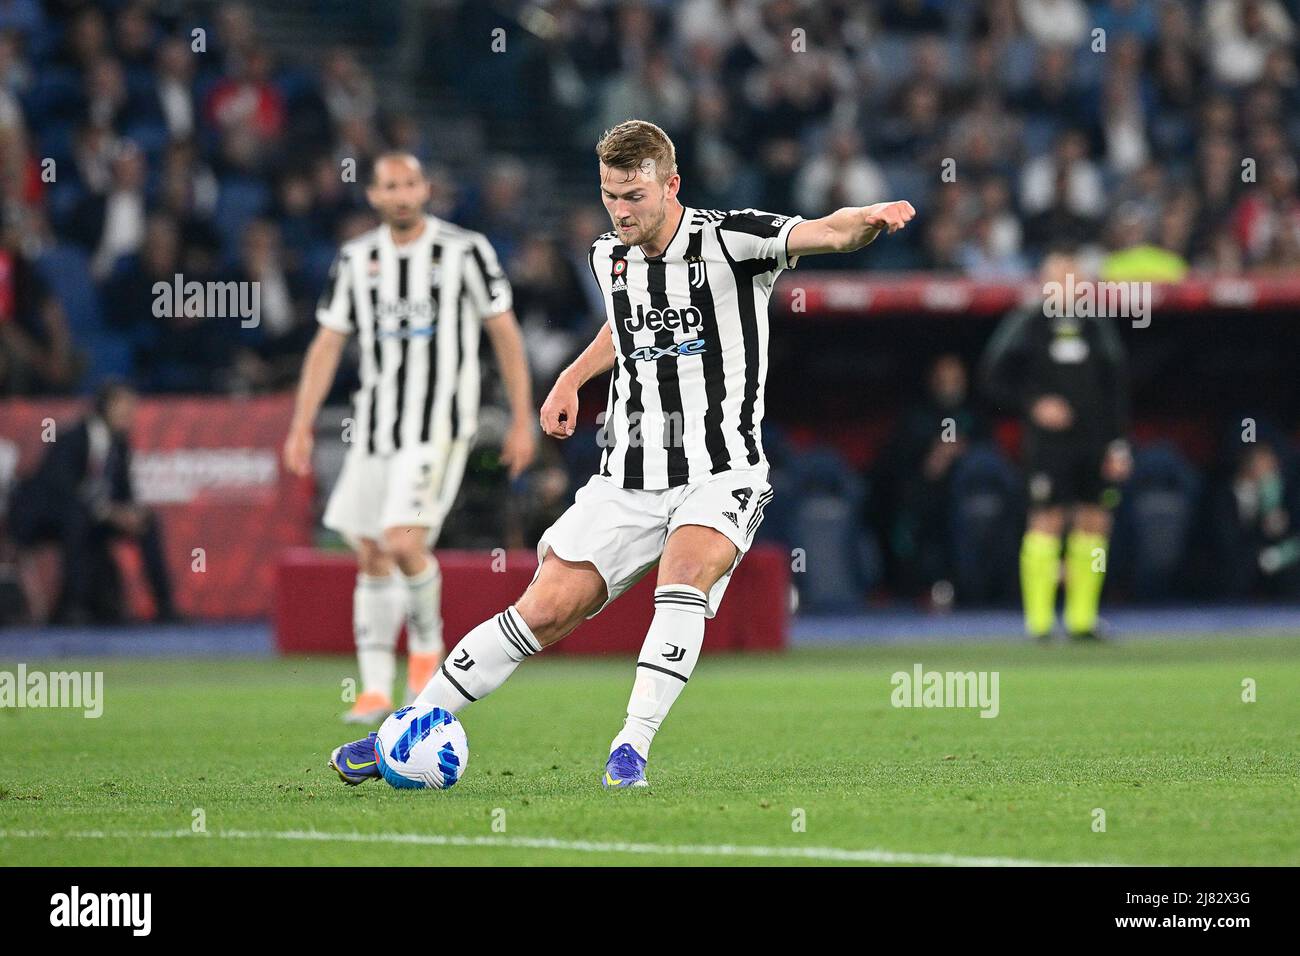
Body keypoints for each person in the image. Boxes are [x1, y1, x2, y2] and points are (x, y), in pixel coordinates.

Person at [330, 119, 915, 788]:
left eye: (634, 195)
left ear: (671, 185)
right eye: (610, 194)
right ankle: (402, 733)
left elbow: (827, 231)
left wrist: (869, 219)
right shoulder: (608, 255)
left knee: (683, 573)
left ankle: (629, 749)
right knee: (544, 610)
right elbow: (623, 324)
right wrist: (572, 378)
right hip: (628, 476)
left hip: (720, 468)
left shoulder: (733, 239)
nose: (621, 210)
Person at [284, 152, 536, 723]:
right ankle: (374, 688)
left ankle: (426, 650)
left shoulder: (465, 250)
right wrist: (301, 423)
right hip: (374, 429)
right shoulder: (356, 259)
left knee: (402, 541)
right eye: (389, 186)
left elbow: (505, 333)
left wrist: (523, 420)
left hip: (438, 427)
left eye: (410, 184)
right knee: (370, 551)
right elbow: (326, 344)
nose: (401, 194)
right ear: (373, 196)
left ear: (425, 188)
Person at [979, 250, 1132, 642]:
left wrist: (1118, 444)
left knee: (1094, 521)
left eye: (1075, 276)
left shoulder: (1098, 327)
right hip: (1049, 446)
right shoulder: (1027, 325)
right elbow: (992, 380)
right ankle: (1040, 623)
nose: (1070, 285)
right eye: (1061, 277)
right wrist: (1034, 405)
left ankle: (1082, 620)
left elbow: (1116, 389)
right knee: (1046, 520)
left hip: (1095, 443)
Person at [7, 380, 178, 624]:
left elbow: (124, 492)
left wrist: (130, 513)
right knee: (76, 518)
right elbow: (62, 491)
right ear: (106, 406)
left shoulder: (120, 445)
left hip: (93, 516)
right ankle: (73, 607)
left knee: (146, 520)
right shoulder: (73, 438)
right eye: (124, 406)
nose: (130, 414)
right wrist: (108, 512)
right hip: (46, 517)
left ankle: (165, 607)